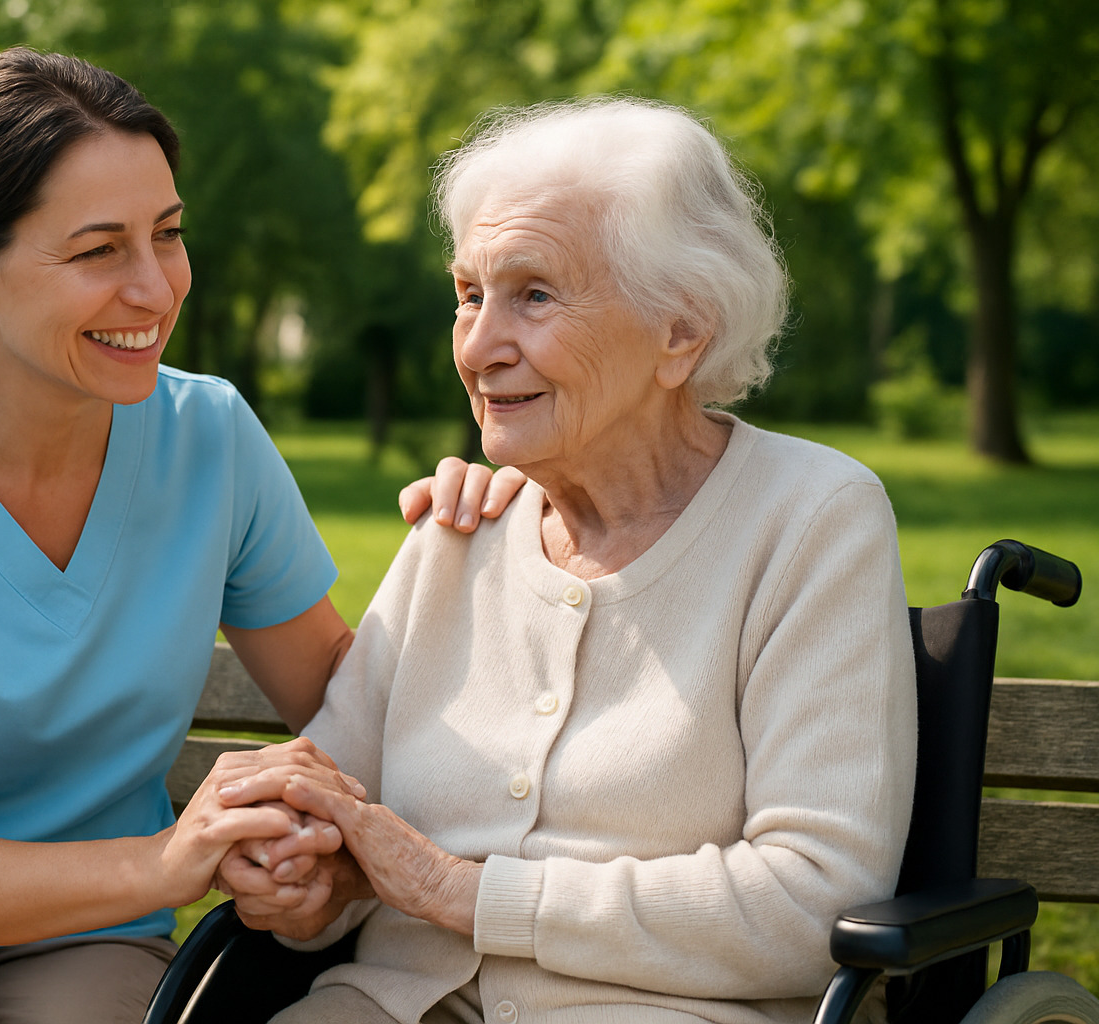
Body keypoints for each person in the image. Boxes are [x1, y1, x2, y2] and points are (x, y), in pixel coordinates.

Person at [0, 47, 519, 1024]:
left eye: (166, 236)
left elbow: (354, 710)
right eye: (98, 251)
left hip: (85, 934)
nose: (155, 288)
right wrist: (172, 862)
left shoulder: (207, 438)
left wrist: (484, 543)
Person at [218, 98, 918, 1024]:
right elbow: (337, 825)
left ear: (682, 331)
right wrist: (297, 873)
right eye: (469, 294)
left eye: (535, 295)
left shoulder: (812, 519)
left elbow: (813, 900)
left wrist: (463, 893)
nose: (476, 346)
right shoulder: (456, 531)